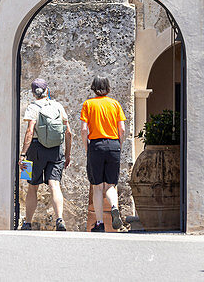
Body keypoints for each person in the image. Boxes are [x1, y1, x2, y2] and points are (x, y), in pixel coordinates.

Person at [19, 77, 71, 231]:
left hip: (35, 150)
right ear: (47, 90)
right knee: (54, 184)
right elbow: (68, 133)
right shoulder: (58, 106)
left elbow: (29, 131)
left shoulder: (32, 107)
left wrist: (23, 155)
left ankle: (27, 223)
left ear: (34, 93)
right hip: (56, 150)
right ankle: (59, 219)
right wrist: (67, 155)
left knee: (32, 186)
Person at [80, 76, 126, 232]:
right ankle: (114, 207)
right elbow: (122, 129)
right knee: (110, 185)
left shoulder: (88, 104)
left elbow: (84, 129)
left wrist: (87, 147)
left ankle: (99, 223)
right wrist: (118, 144)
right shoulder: (115, 104)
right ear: (108, 88)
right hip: (113, 145)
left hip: (96, 146)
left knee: (97, 187)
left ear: (93, 87)